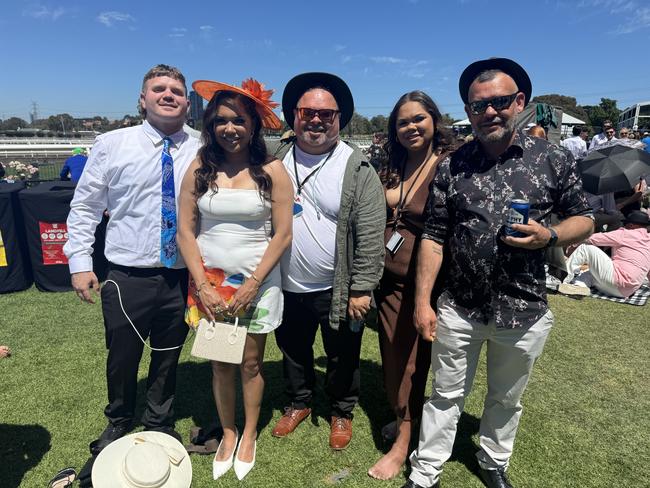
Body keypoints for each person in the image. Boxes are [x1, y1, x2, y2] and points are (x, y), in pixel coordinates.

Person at [403, 58, 594, 488]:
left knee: (506, 397)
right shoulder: (453, 165)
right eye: (477, 106)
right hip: (460, 306)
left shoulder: (552, 158)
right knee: (444, 396)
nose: (489, 112)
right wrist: (422, 302)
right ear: (467, 111)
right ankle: (426, 471)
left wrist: (549, 235)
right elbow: (434, 236)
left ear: (519, 102)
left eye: (500, 102)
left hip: (523, 309)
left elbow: (584, 218)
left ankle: (492, 461)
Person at [64, 64, 200, 452]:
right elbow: (86, 207)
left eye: (176, 90)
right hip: (127, 275)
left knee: (168, 355)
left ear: (187, 103)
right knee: (122, 357)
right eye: (159, 88)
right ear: (143, 100)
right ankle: (119, 418)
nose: (168, 94)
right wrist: (80, 263)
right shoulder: (112, 144)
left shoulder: (202, 146)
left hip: (181, 275)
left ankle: (159, 421)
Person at [177, 78, 292, 480]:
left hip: (257, 284)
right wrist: (203, 286)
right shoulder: (199, 167)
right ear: (211, 124)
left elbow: (283, 234)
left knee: (250, 362)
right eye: (222, 121)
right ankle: (227, 431)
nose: (231, 129)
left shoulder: (272, 170)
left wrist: (252, 283)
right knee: (220, 363)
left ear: (254, 125)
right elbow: (185, 232)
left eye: (239, 121)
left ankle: (248, 435)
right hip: (209, 284)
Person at [270, 72, 385, 451]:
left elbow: (370, 232)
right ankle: (299, 402)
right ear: (294, 116)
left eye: (326, 113)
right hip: (285, 283)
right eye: (307, 112)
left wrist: (362, 287)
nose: (316, 120)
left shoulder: (356, 166)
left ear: (340, 118)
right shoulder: (276, 162)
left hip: (335, 287)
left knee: (341, 354)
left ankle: (341, 410)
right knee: (292, 349)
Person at [368, 91, 455, 481]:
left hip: (427, 285)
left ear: (435, 120)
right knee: (395, 362)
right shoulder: (394, 163)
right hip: (387, 283)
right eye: (402, 122)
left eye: (419, 119)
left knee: (411, 367)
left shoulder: (450, 166)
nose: (411, 127)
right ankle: (407, 423)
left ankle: (403, 444)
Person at [559, 210, 650, 298]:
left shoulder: (626, 233)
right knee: (591, 273)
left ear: (631, 225)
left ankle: (561, 278)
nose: (624, 226)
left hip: (616, 281)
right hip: (626, 292)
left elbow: (593, 238)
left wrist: (574, 241)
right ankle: (579, 286)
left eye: (625, 224)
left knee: (586, 248)